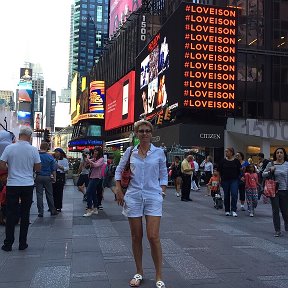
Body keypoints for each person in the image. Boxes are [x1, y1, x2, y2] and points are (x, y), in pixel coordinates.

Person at [115, 120, 168, 288]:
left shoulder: (159, 152)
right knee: (136, 236)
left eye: (147, 131)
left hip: (153, 196)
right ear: (136, 134)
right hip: (133, 196)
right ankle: (139, 272)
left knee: (153, 236)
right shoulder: (130, 151)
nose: (144, 134)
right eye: (141, 131)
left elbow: (164, 174)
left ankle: (159, 275)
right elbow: (118, 169)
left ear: (152, 134)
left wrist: (162, 191)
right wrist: (118, 189)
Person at [0, 126, 41, 251]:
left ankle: (8, 244)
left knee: (11, 213)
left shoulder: (9, 148)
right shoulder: (33, 150)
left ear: (19, 135)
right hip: (27, 184)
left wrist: (10, 169)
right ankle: (22, 243)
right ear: (29, 136)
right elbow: (38, 168)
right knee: (25, 214)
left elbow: (2, 164)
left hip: (12, 184)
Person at [263, 147, 288, 237]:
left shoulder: (287, 165)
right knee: (275, 210)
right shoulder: (271, 164)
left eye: (281, 152)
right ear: (275, 154)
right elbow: (263, 174)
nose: (279, 154)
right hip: (273, 190)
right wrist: (270, 170)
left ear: (284, 154)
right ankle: (277, 230)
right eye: (277, 153)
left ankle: (286, 223)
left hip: (284, 190)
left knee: (285, 211)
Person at [35, 142, 58, 217]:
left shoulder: (36, 156)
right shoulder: (50, 157)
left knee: (39, 194)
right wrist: (54, 178)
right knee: (49, 194)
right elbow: (53, 169)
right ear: (47, 148)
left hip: (38, 176)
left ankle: (40, 212)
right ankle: (52, 210)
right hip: (47, 177)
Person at [218, 147, 241, 217]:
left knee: (234, 194)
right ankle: (227, 210)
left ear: (231, 152)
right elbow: (219, 171)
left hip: (234, 180)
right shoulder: (223, 161)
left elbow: (239, 170)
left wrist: (239, 177)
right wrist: (219, 179)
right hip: (225, 180)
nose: (226, 153)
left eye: (227, 152)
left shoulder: (236, 161)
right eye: (225, 152)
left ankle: (233, 210)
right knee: (226, 195)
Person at [83, 147, 104, 217]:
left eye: (96, 151)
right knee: (93, 193)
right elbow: (87, 162)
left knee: (88, 192)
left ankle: (89, 209)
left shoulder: (101, 159)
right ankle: (95, 208)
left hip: (96, 177)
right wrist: (87, 158)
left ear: (99, 152)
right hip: (91, 177)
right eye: (94, 151)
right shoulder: (95, 159)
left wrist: (89, 160)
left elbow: (96, 165)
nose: (95, 152)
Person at [52, 148, 69, 212]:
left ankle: (58, 206)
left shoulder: (64, 160)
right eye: (55, 152)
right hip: (53, 175)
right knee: (53, 191)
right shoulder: (53, 159)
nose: (56, 153)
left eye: (57, 152)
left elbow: (67, 168)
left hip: (60, 175)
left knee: (59, 191)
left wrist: (60, 167)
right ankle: (53, 206)